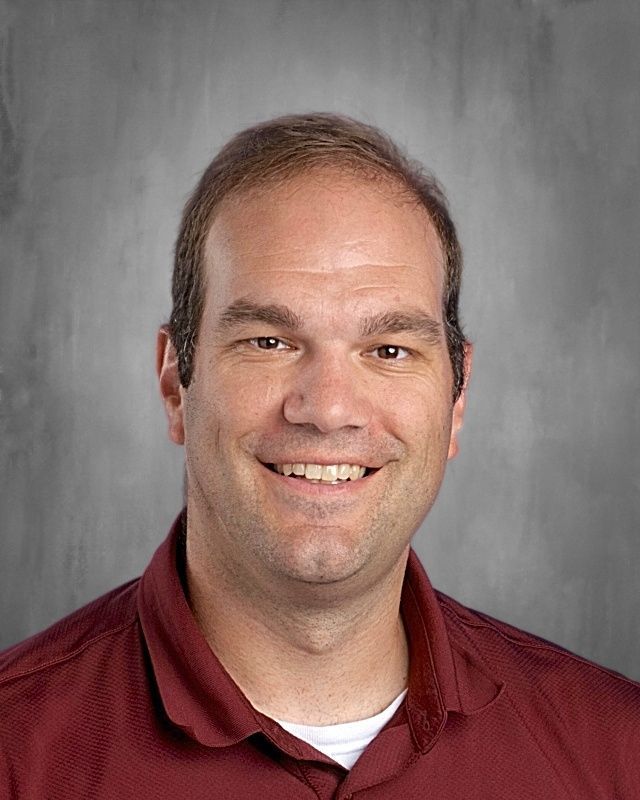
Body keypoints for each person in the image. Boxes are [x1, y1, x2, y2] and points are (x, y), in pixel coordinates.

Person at [1, 113, 638, 799]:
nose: (329, 409)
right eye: (268, 342)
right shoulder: (14, 751)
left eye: (389, 350)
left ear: (457, 398)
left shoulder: (615, 753)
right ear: (174, 383)